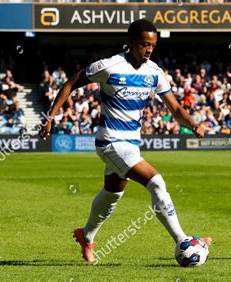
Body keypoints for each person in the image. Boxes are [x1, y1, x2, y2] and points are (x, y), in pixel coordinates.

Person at [38, 19, 211, 263]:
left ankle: (86, 236)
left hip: (131, 144)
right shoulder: (109, 66)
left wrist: (193, 124)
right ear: (130, 43)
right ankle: (183, 241)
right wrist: (50, 116)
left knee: (112, 193)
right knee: (157, 183)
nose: (149, 49)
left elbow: (175, 108)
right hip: (110, 142)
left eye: (153, 44)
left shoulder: (155, 73)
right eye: (143, 44)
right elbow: (71, 82)